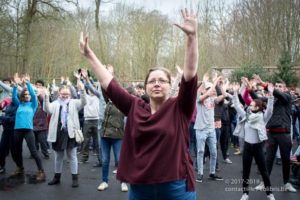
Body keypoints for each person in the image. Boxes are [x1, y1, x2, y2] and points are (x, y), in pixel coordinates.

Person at [80, 8, 198, 200]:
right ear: (145, 87)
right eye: (152, 81)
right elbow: (109, 84)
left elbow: (190, 73)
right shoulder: (135, 107)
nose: (157, 83)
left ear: (171, 86)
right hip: (140, 189)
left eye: (162, 80)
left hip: (177, 188)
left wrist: (192, 38)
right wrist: (89, 55)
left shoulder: (180, 107)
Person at [232, 83, 275, 200]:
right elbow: (236, 105)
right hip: (247, 147)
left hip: (258, 148)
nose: (249, 107)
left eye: (251, 106)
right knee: (245, 172)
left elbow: (270, 110)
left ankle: (269, 193)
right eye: (249, 105)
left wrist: (270, 95)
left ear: (258, 108)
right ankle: (245, 194)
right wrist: (235, 92)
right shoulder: (246, 115)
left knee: (264, 172)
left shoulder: (263, 118)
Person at [44, 82, 86, 188]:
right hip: (58, 133)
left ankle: (75, 178)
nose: (65, 95)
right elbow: (47, 109)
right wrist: (45, 97)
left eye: (67, 94)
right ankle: (57, 178)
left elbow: (84, 102)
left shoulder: (74, 103)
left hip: (71, 133)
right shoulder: (55, 103)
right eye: (63, 93)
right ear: (59, 93)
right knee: (58, 156)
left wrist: (82, 90)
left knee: (72, 156)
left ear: (70, 94)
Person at [12, 74, 46, 181]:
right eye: (25, 94)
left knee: (33, 151)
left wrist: (27, 83)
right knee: (16, 151)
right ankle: (20, 167)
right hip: (17, 130)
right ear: (22, 96)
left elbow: (32, 93)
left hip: (28, 131)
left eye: (28, 94)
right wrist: (15, 86)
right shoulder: (19, 104)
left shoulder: (33, 104)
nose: (27, 95)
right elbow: (13, 97)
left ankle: (41, 171)